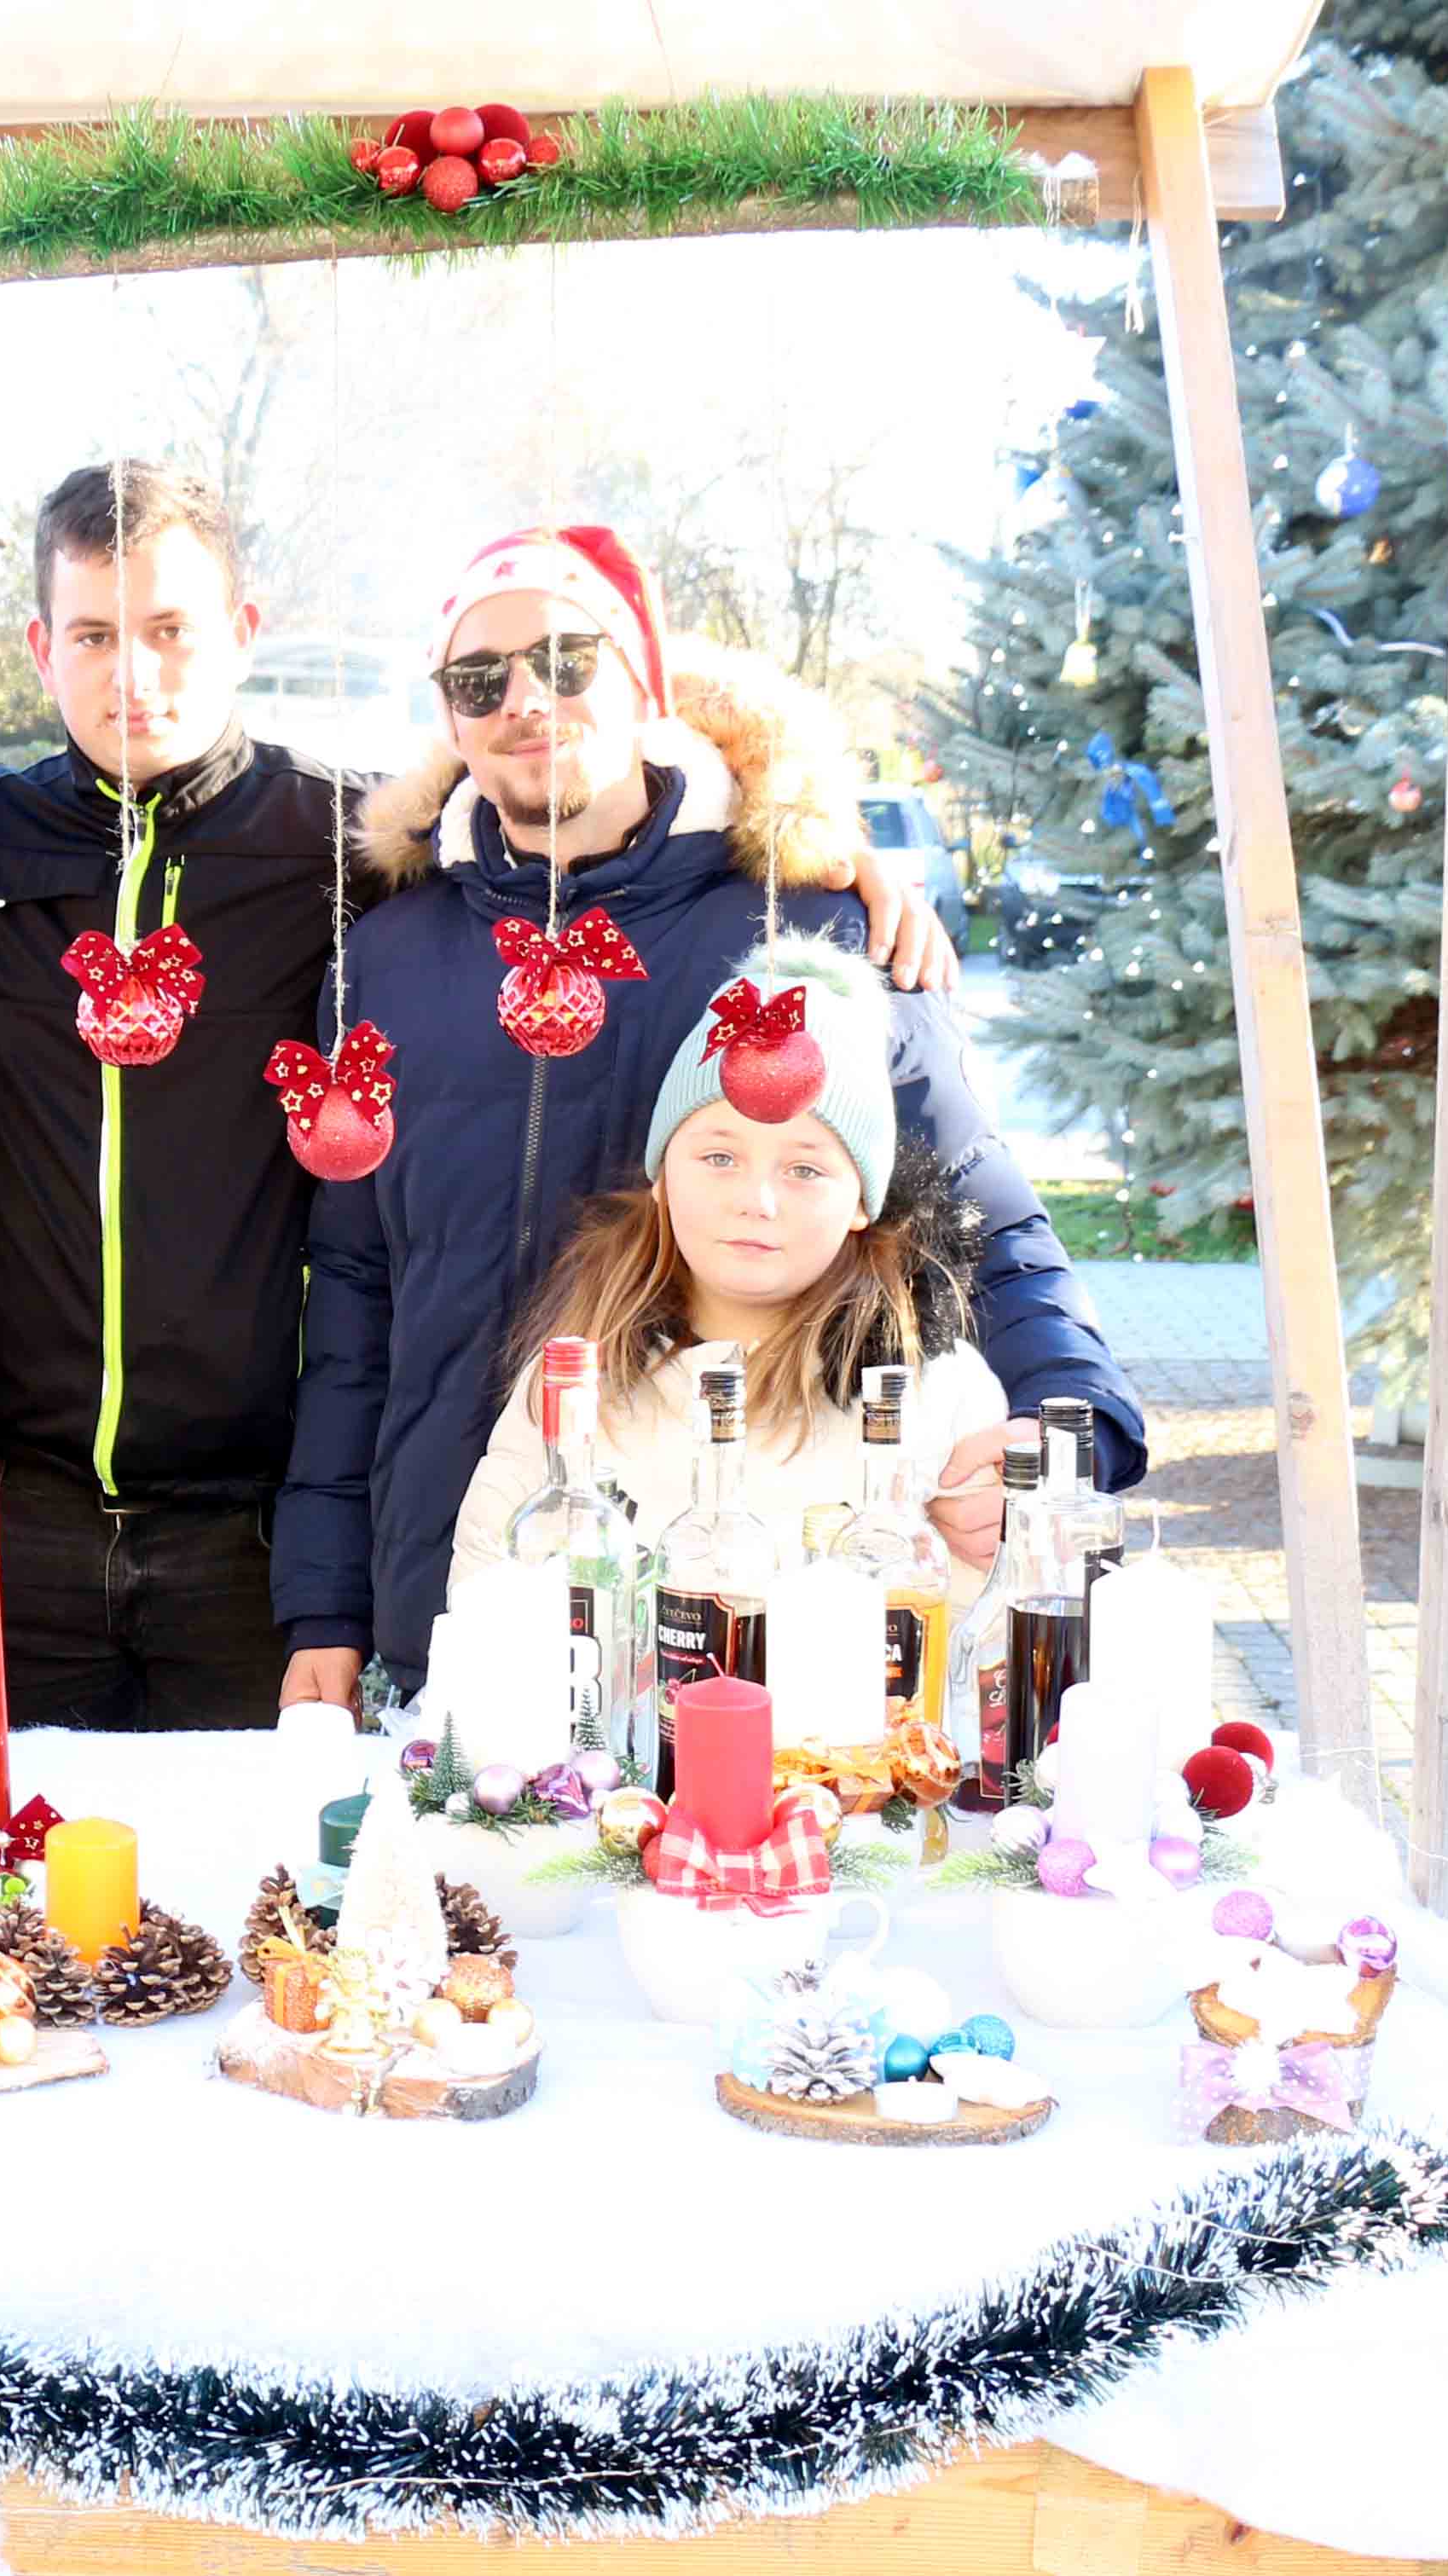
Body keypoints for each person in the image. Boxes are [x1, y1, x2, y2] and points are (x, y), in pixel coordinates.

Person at [0, 465, 947, 1732]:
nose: (128, 673)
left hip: (245, 1523)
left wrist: (812, 850)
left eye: (164, 628)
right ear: (38, 647)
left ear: (237, 629)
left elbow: (554, 845)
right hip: (10, 1513)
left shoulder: (348, 859)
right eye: (89, 635)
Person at [275, 524, 1144, 1707]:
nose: (526, 699)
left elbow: (990, 1229)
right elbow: (355, 1300)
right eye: (480, 678)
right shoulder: (385, 960)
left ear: (645, 676)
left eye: (569, 658)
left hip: (756, 1629)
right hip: (471, 1613)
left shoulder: (817, 933)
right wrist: (324, 1598)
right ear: (450, 714)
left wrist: (1063, 1429)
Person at [443, 938, 1008, 1595]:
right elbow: (486, 1606)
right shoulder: (574, 1382)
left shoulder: (933, 1393)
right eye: (719, 1158)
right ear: (662, 1176)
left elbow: (981, 1638)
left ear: (861, 1202)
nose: (756, 1202)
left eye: (805, 1169)